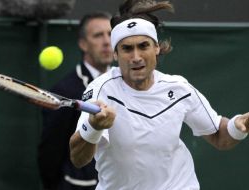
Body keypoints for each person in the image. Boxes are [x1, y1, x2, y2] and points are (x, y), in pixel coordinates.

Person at [69, 0, 249, 189]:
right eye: (127, 48)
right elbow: (78, 159)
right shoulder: (100, 89)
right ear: (116, 55)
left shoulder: (179, 87)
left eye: (143, 46)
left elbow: (219, 136)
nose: (136, 57)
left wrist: (238, 127)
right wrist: (94, 127)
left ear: (156, 48)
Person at [38, 12, 113, 190]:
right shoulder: (65, 90)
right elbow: (51, 152)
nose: (106, 41)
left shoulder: (124, 83)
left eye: (110, 34)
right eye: (98, 35)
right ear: (83, 44)